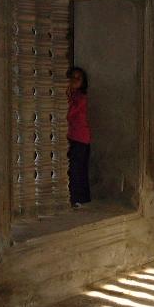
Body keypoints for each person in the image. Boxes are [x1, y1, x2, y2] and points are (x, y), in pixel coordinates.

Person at [67, 67, 91, 208]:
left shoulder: (80, 98)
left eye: (78, 78)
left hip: (80, 137)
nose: (74, 81)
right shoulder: (72, 95)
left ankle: (78, 198)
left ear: (83, 82)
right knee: (75, 167)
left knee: (77, 169)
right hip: (73, 136)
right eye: (72, 77)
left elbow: (69, 113)